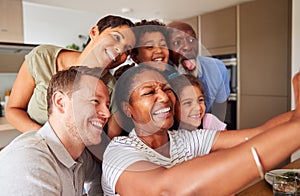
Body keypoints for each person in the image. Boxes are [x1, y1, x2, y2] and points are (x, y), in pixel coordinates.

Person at [102, 65, 300, 195]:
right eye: (149, 92)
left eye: (167, 89)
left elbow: (257, 134)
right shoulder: (119, 152)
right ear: (128, 109)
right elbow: (166, 191)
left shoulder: (185, 140)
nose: (164, 97)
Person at [5, 15, 136, 134]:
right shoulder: (42, 57)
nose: (120, 50)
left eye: (127, 50)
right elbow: (13, 110)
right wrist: (46, 139)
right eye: (116, 37)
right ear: (94, 32)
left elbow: (106, 142)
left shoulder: (112, 88)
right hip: (31, 146)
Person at [0, 66, 111, 195]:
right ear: (60, 102)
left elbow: (98, 177)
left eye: (107, 105)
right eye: (95, 101)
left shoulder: (81, 157)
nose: (107, 114)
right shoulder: (30, 164)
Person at [167, 21, 230, 121]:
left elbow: (220, 109)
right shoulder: (161, 74)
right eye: (177, 43)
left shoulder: (217, 68)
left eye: (192, 40)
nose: (187, 47)